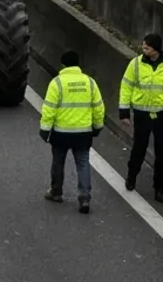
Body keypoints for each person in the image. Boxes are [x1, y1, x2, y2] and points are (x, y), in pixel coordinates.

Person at [120, 32, 163, 203]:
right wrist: (124, 112)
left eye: (147, 48)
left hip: (162, 116)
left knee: (162, 154)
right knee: (139, 149)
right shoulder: (135, 64)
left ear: (155, 49)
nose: (144, 50)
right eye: (143, 47)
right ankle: (131, 177)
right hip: (142, 115)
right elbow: (126, 87)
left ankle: (159, 188)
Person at [40, 50, 105, 213]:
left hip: (61, 133)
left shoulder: (57, 83)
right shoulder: (89, 82)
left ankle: (56, 192)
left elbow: (49, 109)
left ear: (63, 65)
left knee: (58, 162)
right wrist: (97, 127)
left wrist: (45, 130)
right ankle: (84, 198)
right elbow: (98, 108)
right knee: (83, 164)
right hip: (83, 133)